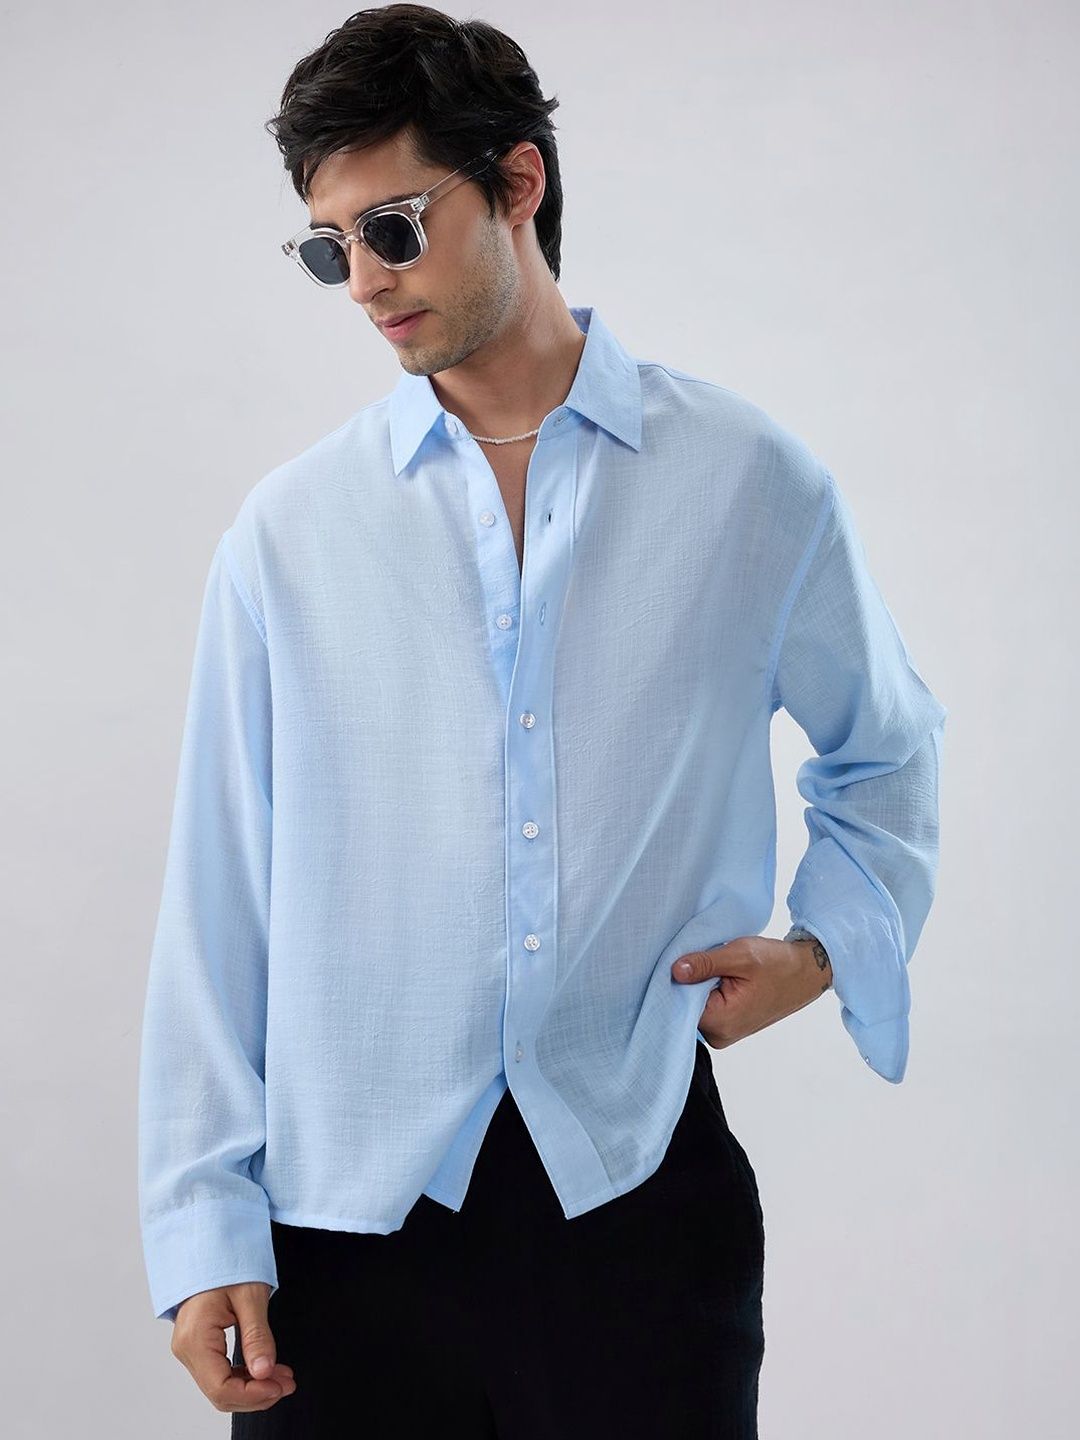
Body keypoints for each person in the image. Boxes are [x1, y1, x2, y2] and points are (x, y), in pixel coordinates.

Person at [137, 6, 947, 1437]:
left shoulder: (746, 484)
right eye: (329, 248)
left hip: (642, 1213)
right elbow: (220, 896)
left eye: (393, 226)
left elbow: (888, 748)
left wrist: (824, 948)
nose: (364, 282)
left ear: (518, 181)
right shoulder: (290, 536)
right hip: (342, 1235)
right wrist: (202, 1222)